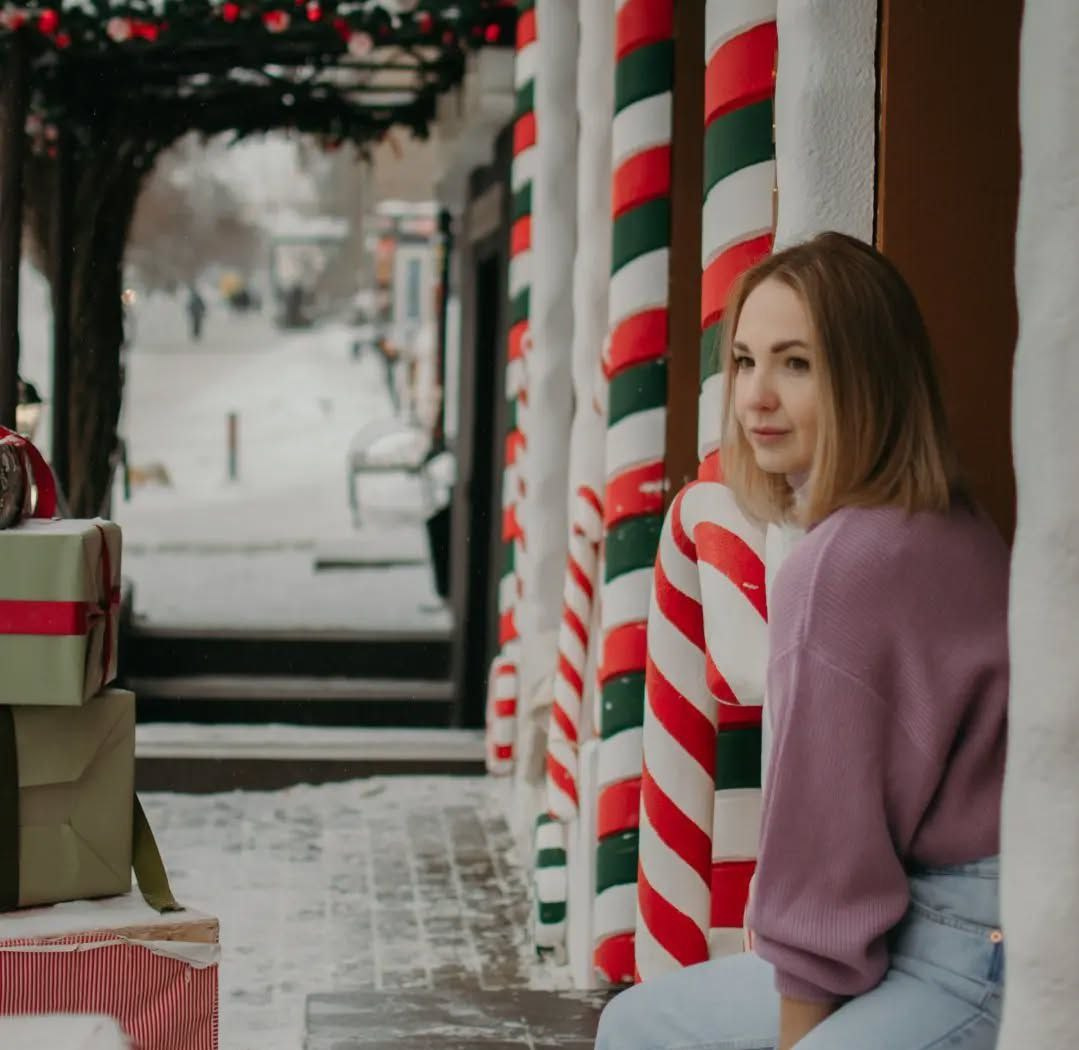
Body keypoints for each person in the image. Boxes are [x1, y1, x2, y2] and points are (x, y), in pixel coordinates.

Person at [594, 232, 1009, 1050]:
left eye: (795, 364)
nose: (753, 398)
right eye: (744, 361)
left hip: (967, 957)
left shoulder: (840, 567)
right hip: (938, 933)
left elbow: (828, 861)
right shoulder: (953, 524)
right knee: (640, 1025)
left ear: (870, 382)